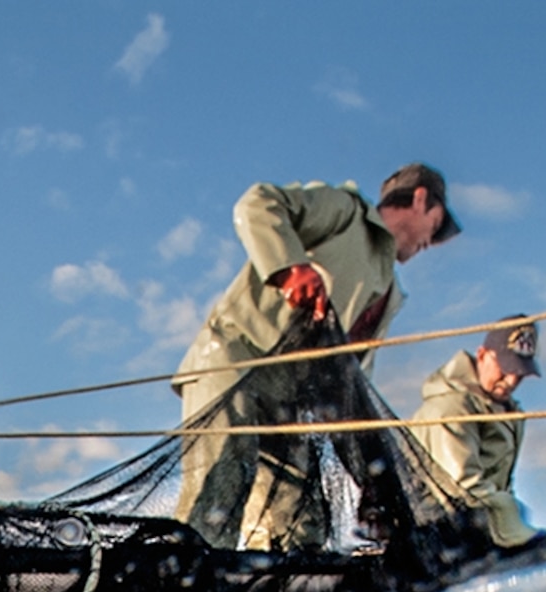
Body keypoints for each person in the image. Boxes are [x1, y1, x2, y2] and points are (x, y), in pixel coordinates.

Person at [172, 165, 458, 553]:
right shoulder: (346, 212)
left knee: (300, 521)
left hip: (290, 404)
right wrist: (289, 268)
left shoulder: (390, 293)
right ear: (420, 199)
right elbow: (258, 203)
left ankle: (273, 591)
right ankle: (185, 585)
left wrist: (370, 476)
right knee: (220, 490)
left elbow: (354, 380)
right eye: (436, 226)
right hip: (234, 360)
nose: (432, 242)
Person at [409, 318, 540, 548]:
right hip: (440, 536)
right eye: (506, 367)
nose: (511, 381)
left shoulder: (506, 411)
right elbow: (462, 489)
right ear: (482, 355)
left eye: (520, 372)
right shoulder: (450, 408)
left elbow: (500, 483)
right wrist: (516, 526)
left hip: (481, 530)